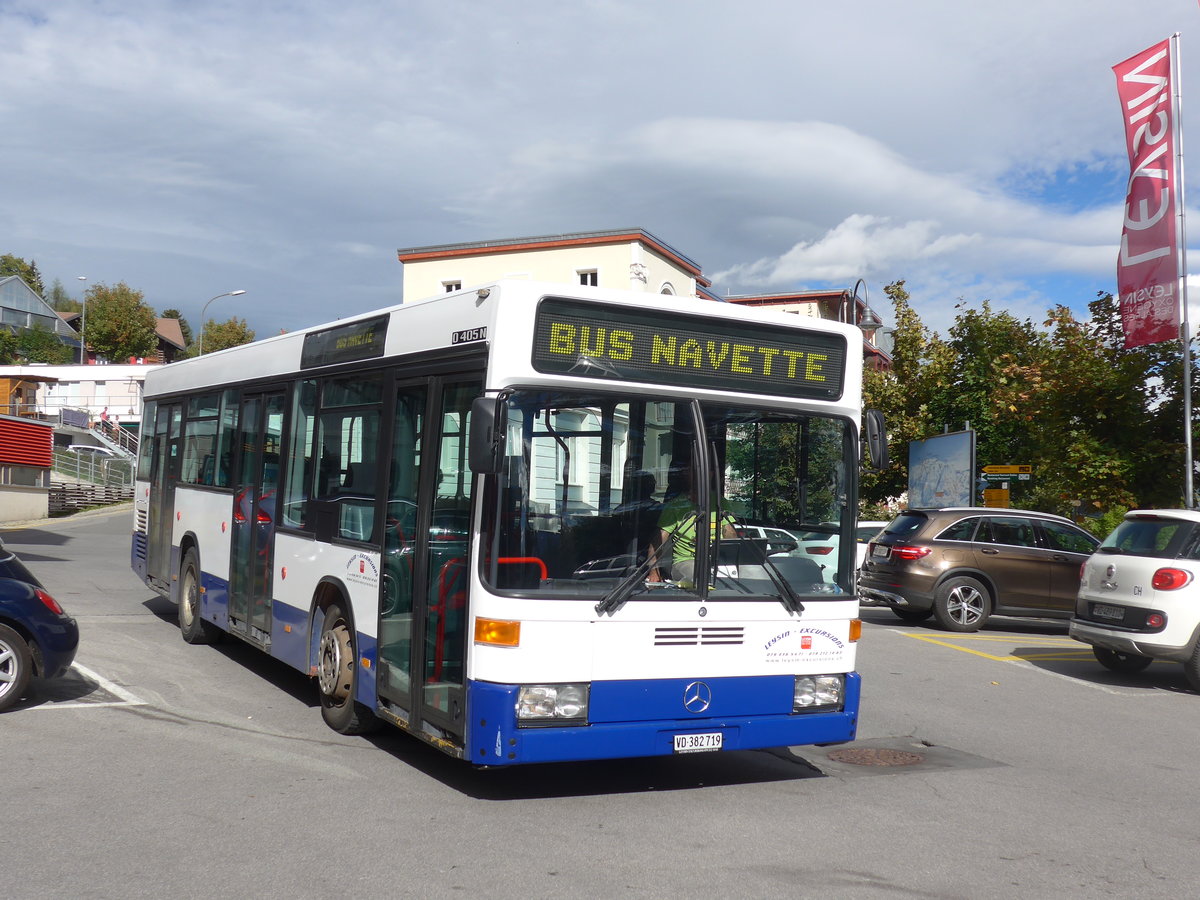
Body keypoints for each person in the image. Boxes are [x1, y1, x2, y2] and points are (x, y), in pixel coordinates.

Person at [646, 464, 736, 587]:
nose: (703, 475)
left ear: (712, 475)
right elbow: (657, 542)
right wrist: (654, 572)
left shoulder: (720, 502)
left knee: (754, 572)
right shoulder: (675, 506)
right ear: (688, 476)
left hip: (717, 562)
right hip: (685, 561)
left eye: (707, 470)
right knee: (701, 576)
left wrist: (733, 557)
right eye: (697, 472)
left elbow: (730, 534)